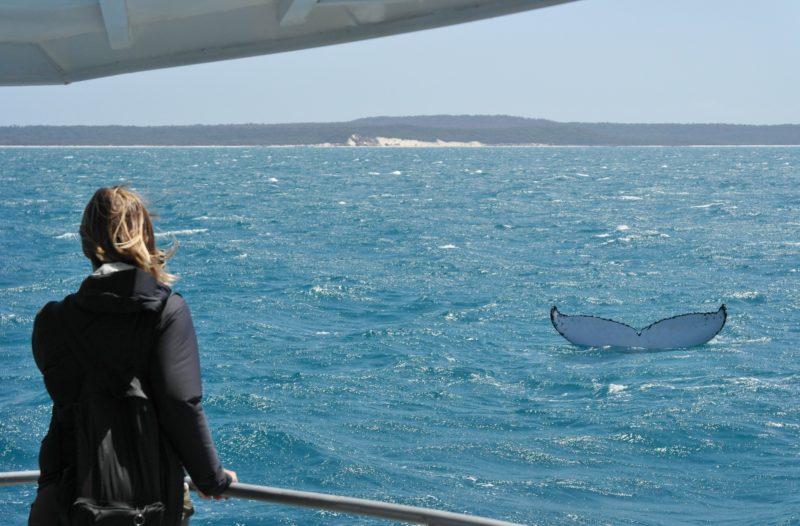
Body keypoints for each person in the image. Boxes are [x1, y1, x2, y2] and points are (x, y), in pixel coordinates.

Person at [29, 185, 237, 525]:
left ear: (86, 242)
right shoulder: (167, 313)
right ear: (146, 237)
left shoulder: (51, 321)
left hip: (62, 502)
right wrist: (210, 478)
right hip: (144, 506)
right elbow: (180, 403)